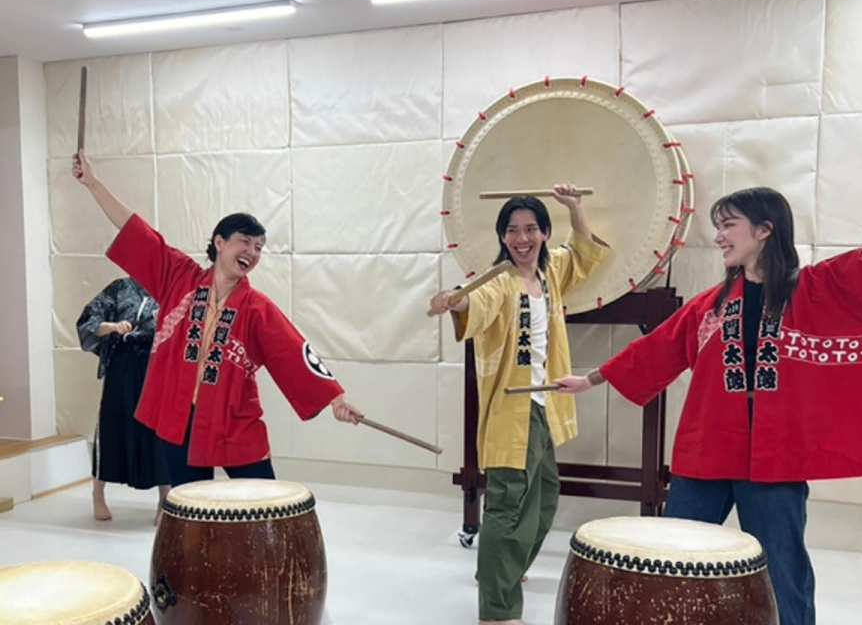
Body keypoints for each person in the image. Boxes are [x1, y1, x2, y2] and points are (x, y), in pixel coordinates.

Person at [556, 186, 862, 625]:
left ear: (765, 230)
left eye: (728, 225)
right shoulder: (711, 306)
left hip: (776, 455)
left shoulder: (824, 289)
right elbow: (658, 349)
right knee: (672, 553)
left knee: (782, 571)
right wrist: (590, 379)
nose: (719, 237)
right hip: (707, 450)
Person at [73, 150, 363, 487]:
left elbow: (294, 352)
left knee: (263, 505)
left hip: (233, 420)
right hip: (179, 417)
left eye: (259, 247)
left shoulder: (257, 308)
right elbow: (134, 230)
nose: (252, 253)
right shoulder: (177, 277)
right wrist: (93, 184)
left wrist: (335, 400)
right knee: (190, 512)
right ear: (219, 243)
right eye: (245, 242)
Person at [429, 185, 609, 625]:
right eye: (512, 231)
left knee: (545, 499)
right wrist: (453, 301)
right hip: (513, 408)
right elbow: (473, 300)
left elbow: (584, 251)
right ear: (502, 237)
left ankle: (502, 571)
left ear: (545, 233)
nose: (522, 238)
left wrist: (575, 208)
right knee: (509, 504)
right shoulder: (500, 281)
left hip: (546, 404)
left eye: (531, 229)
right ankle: (498, 608)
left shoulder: (550, 273)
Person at [77, 277, 170, 522]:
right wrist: (112, 326)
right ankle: (98, 494)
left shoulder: (170, 288)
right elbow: (89, 321)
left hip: (157, 368)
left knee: (159, 433)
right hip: (123, 368)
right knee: (112, 428)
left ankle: (165, 499)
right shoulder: (120, 288)